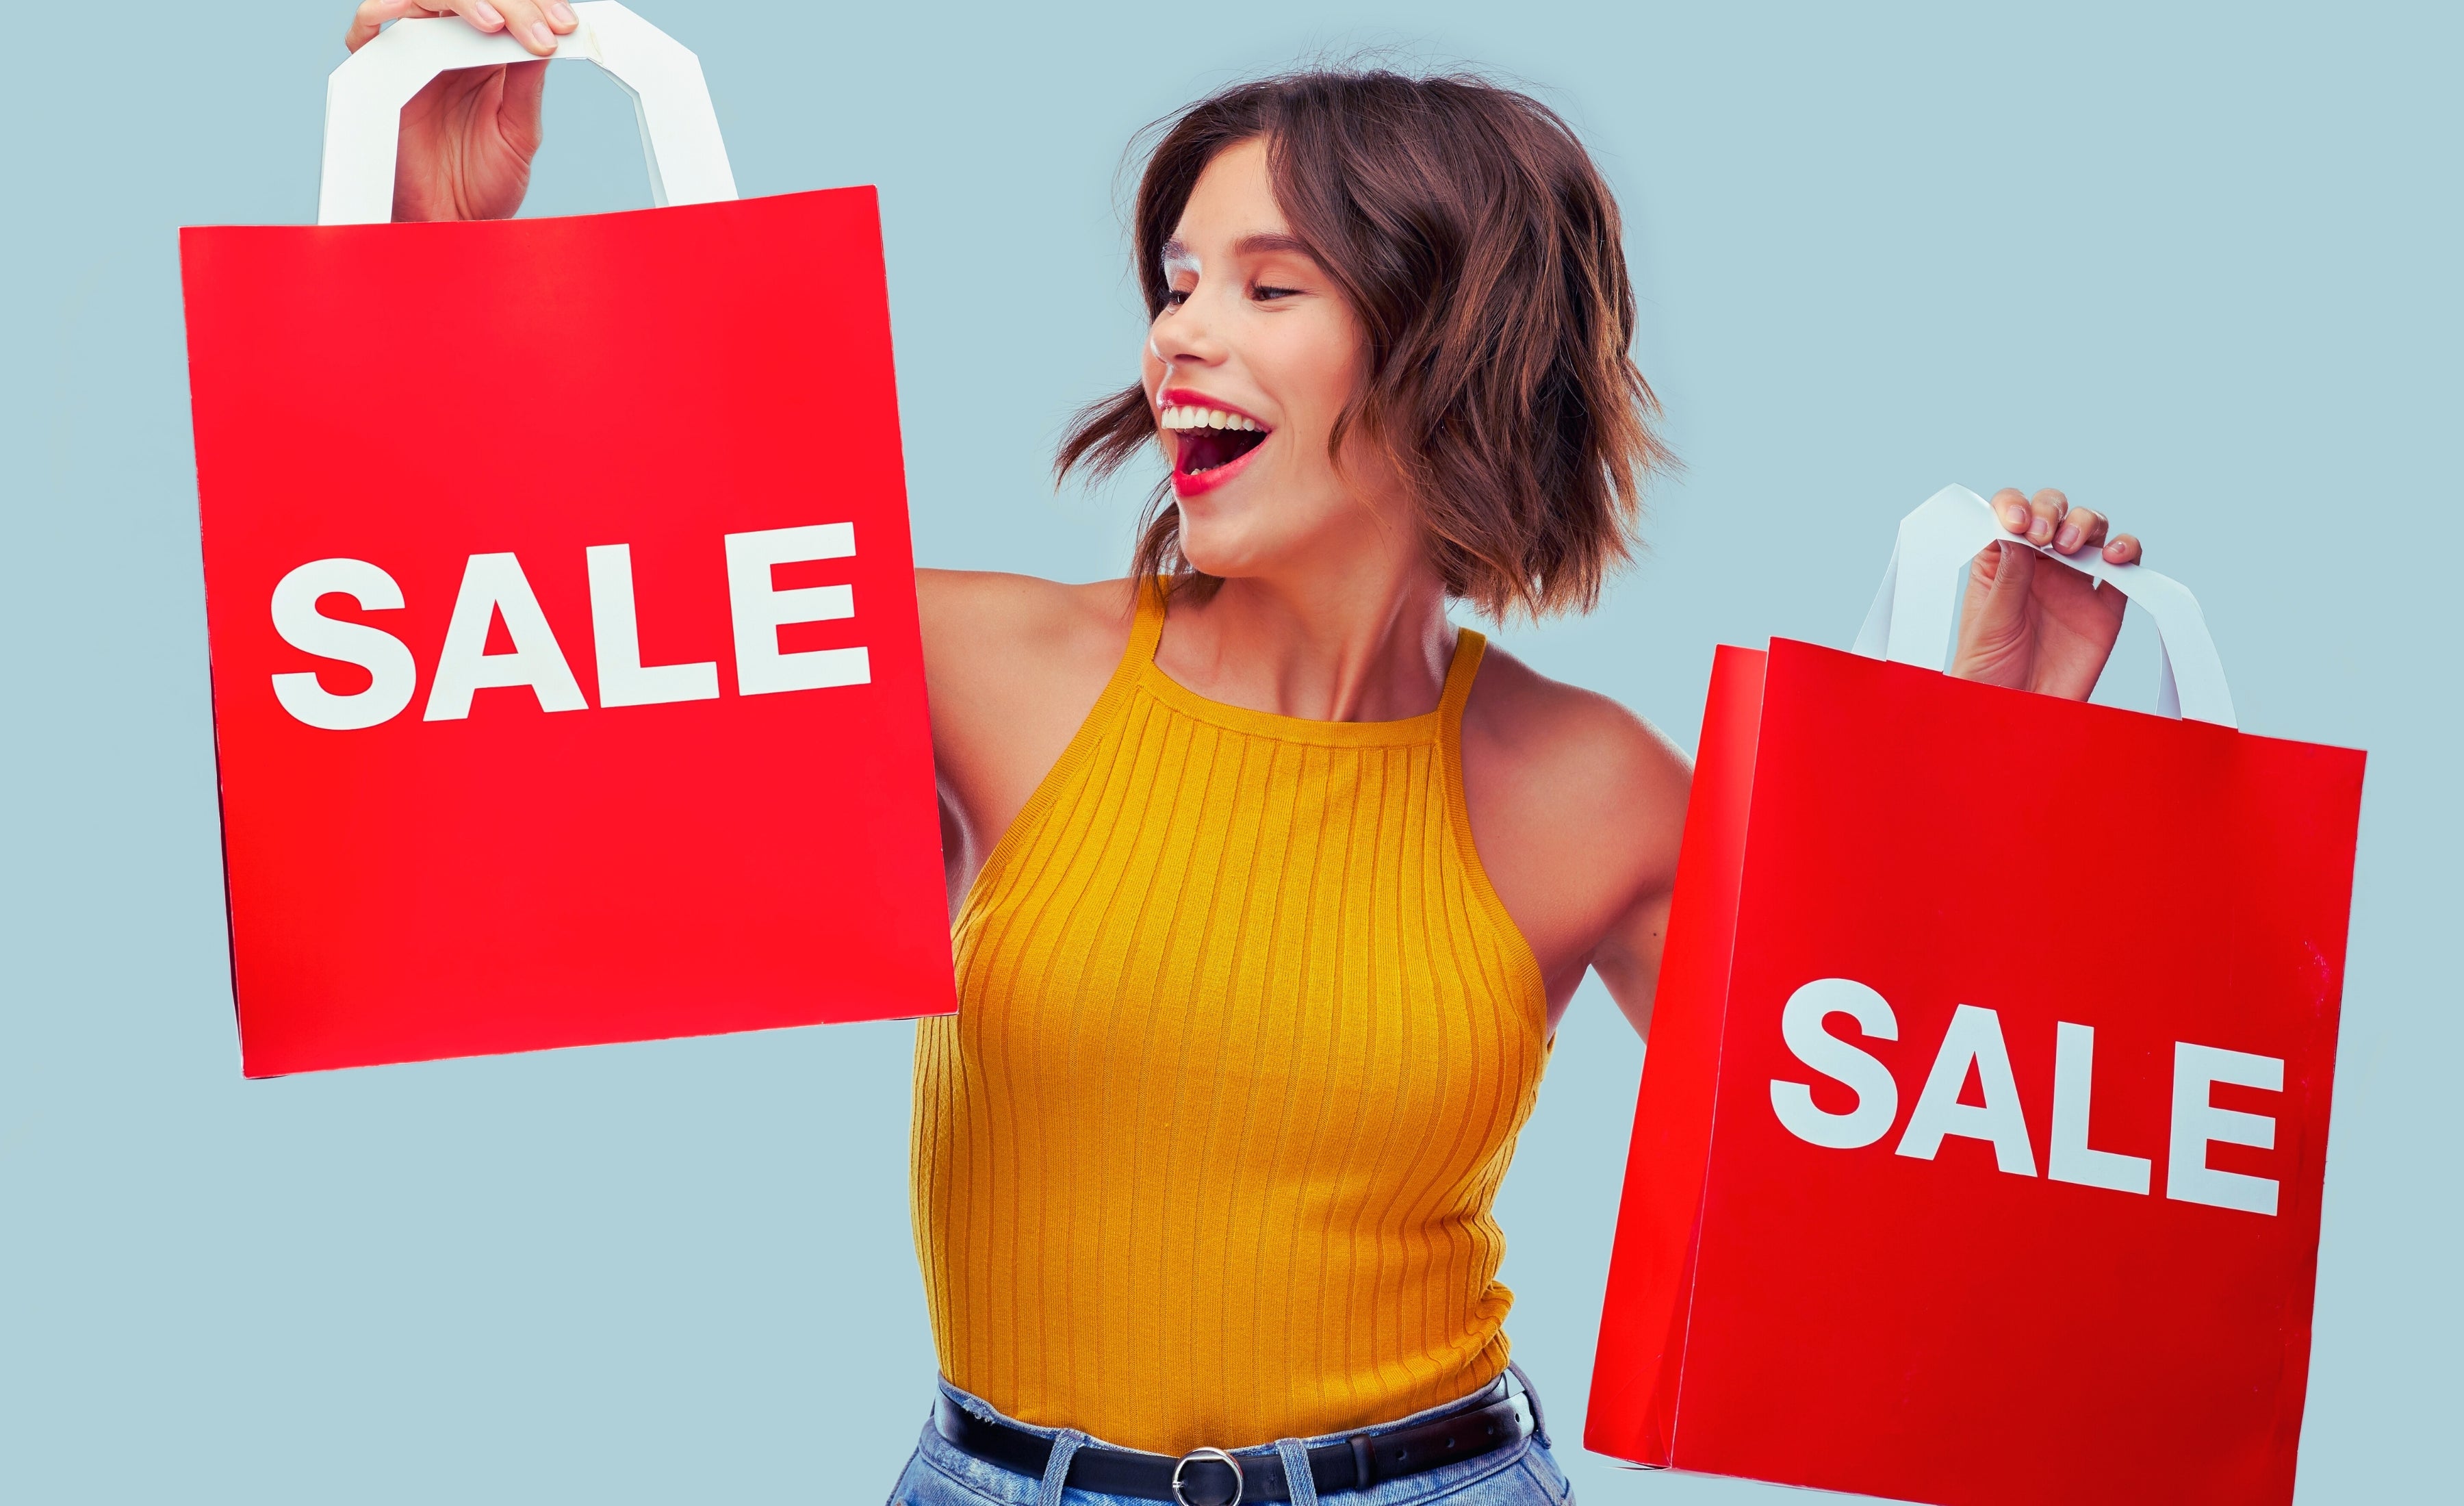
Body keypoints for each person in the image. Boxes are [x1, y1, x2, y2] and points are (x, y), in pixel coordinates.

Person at [342, 4, 2150, 1501]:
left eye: (1269, 289)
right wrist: (446, 254)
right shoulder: (977, 661)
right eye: (1180, 278)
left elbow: (1883, 1195)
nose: (1180, 329)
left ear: (1451, 350)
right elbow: (534, 684)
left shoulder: (1594, 786)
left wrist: (1987, 747)